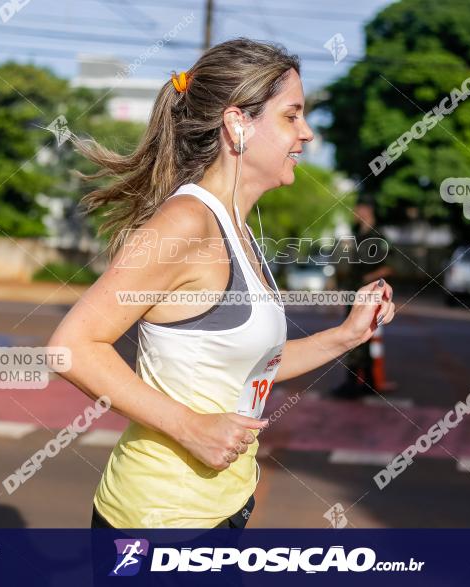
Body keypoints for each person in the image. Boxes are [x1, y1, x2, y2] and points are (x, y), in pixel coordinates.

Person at [48, 38, 396, 529]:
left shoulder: (236, 225)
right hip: (159, 522)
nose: (307, 134)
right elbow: (73, 346)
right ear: (238, 124)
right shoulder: (186, 223)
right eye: (291, 116)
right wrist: (190, 428)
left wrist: (346, 335)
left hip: (222, 513)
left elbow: (249, 367)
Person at [332, 201, 395, 399]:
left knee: (360, 337)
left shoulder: (377, 237)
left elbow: (390, 266)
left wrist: (368, 280)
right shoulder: (359, 236)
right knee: (358, 337)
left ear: (367, 210)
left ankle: (358, 384)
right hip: (354, 293)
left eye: (358, 209)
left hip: (368, 294)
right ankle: (365, 382)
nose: (355, 213)